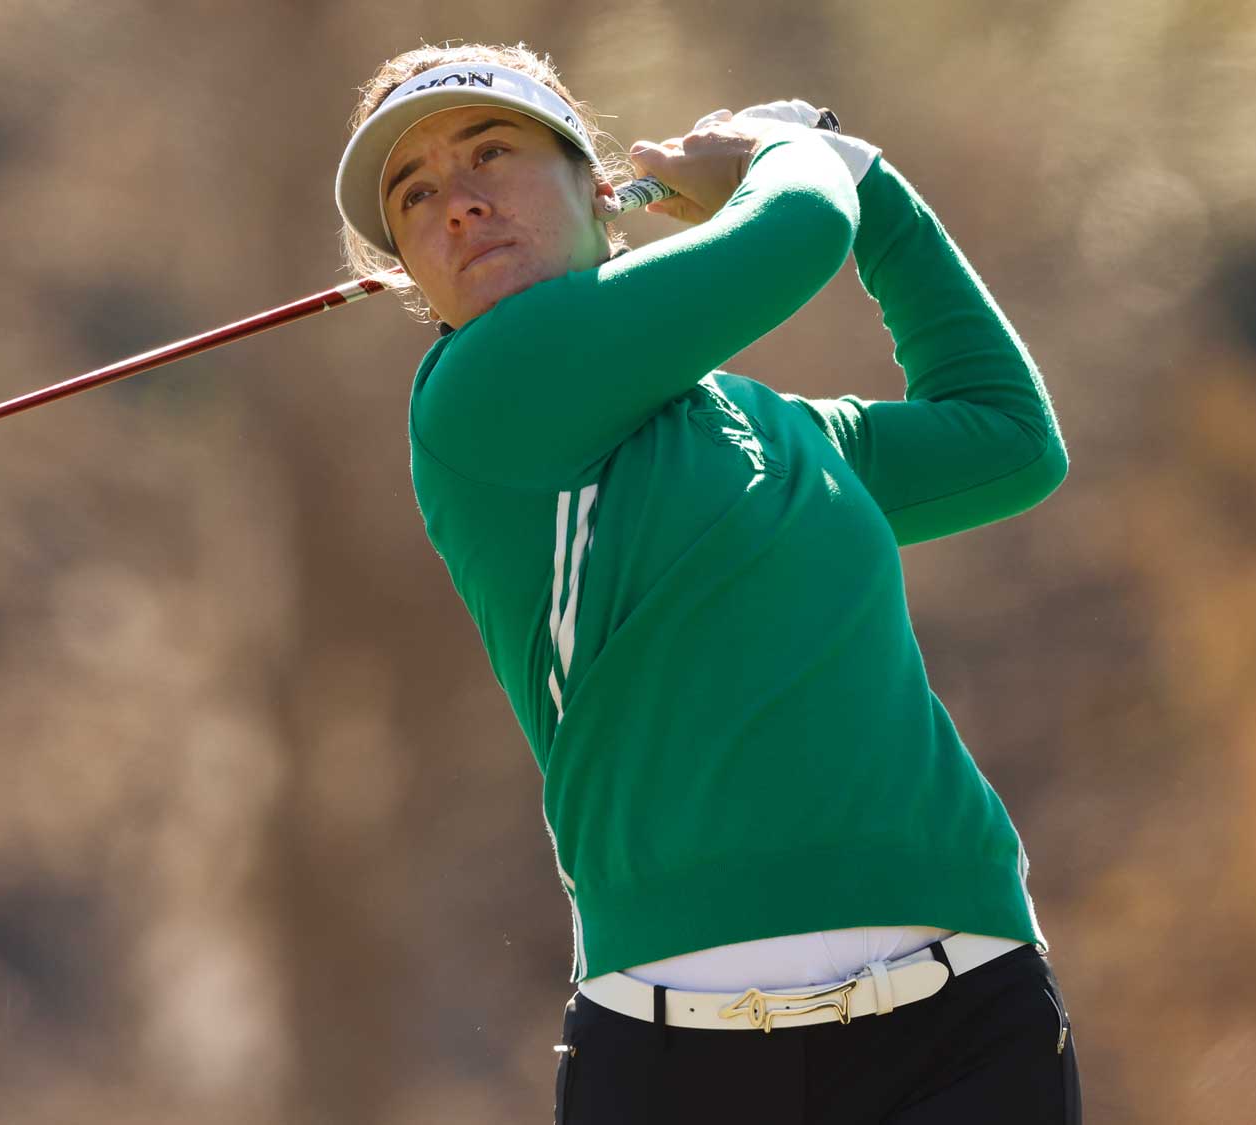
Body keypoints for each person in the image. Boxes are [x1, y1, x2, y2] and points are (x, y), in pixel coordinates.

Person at [333, 42, 1081, 1123]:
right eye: (414, 196)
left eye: (488, 154)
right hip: (678, 1055)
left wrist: (870, 184)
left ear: (601, 190)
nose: (455, 204)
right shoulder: (475, 402)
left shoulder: (783, 431)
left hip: (963, 1019)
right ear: (409, 268)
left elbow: (1008, 441)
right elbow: (794, 233)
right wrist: (797, 154)